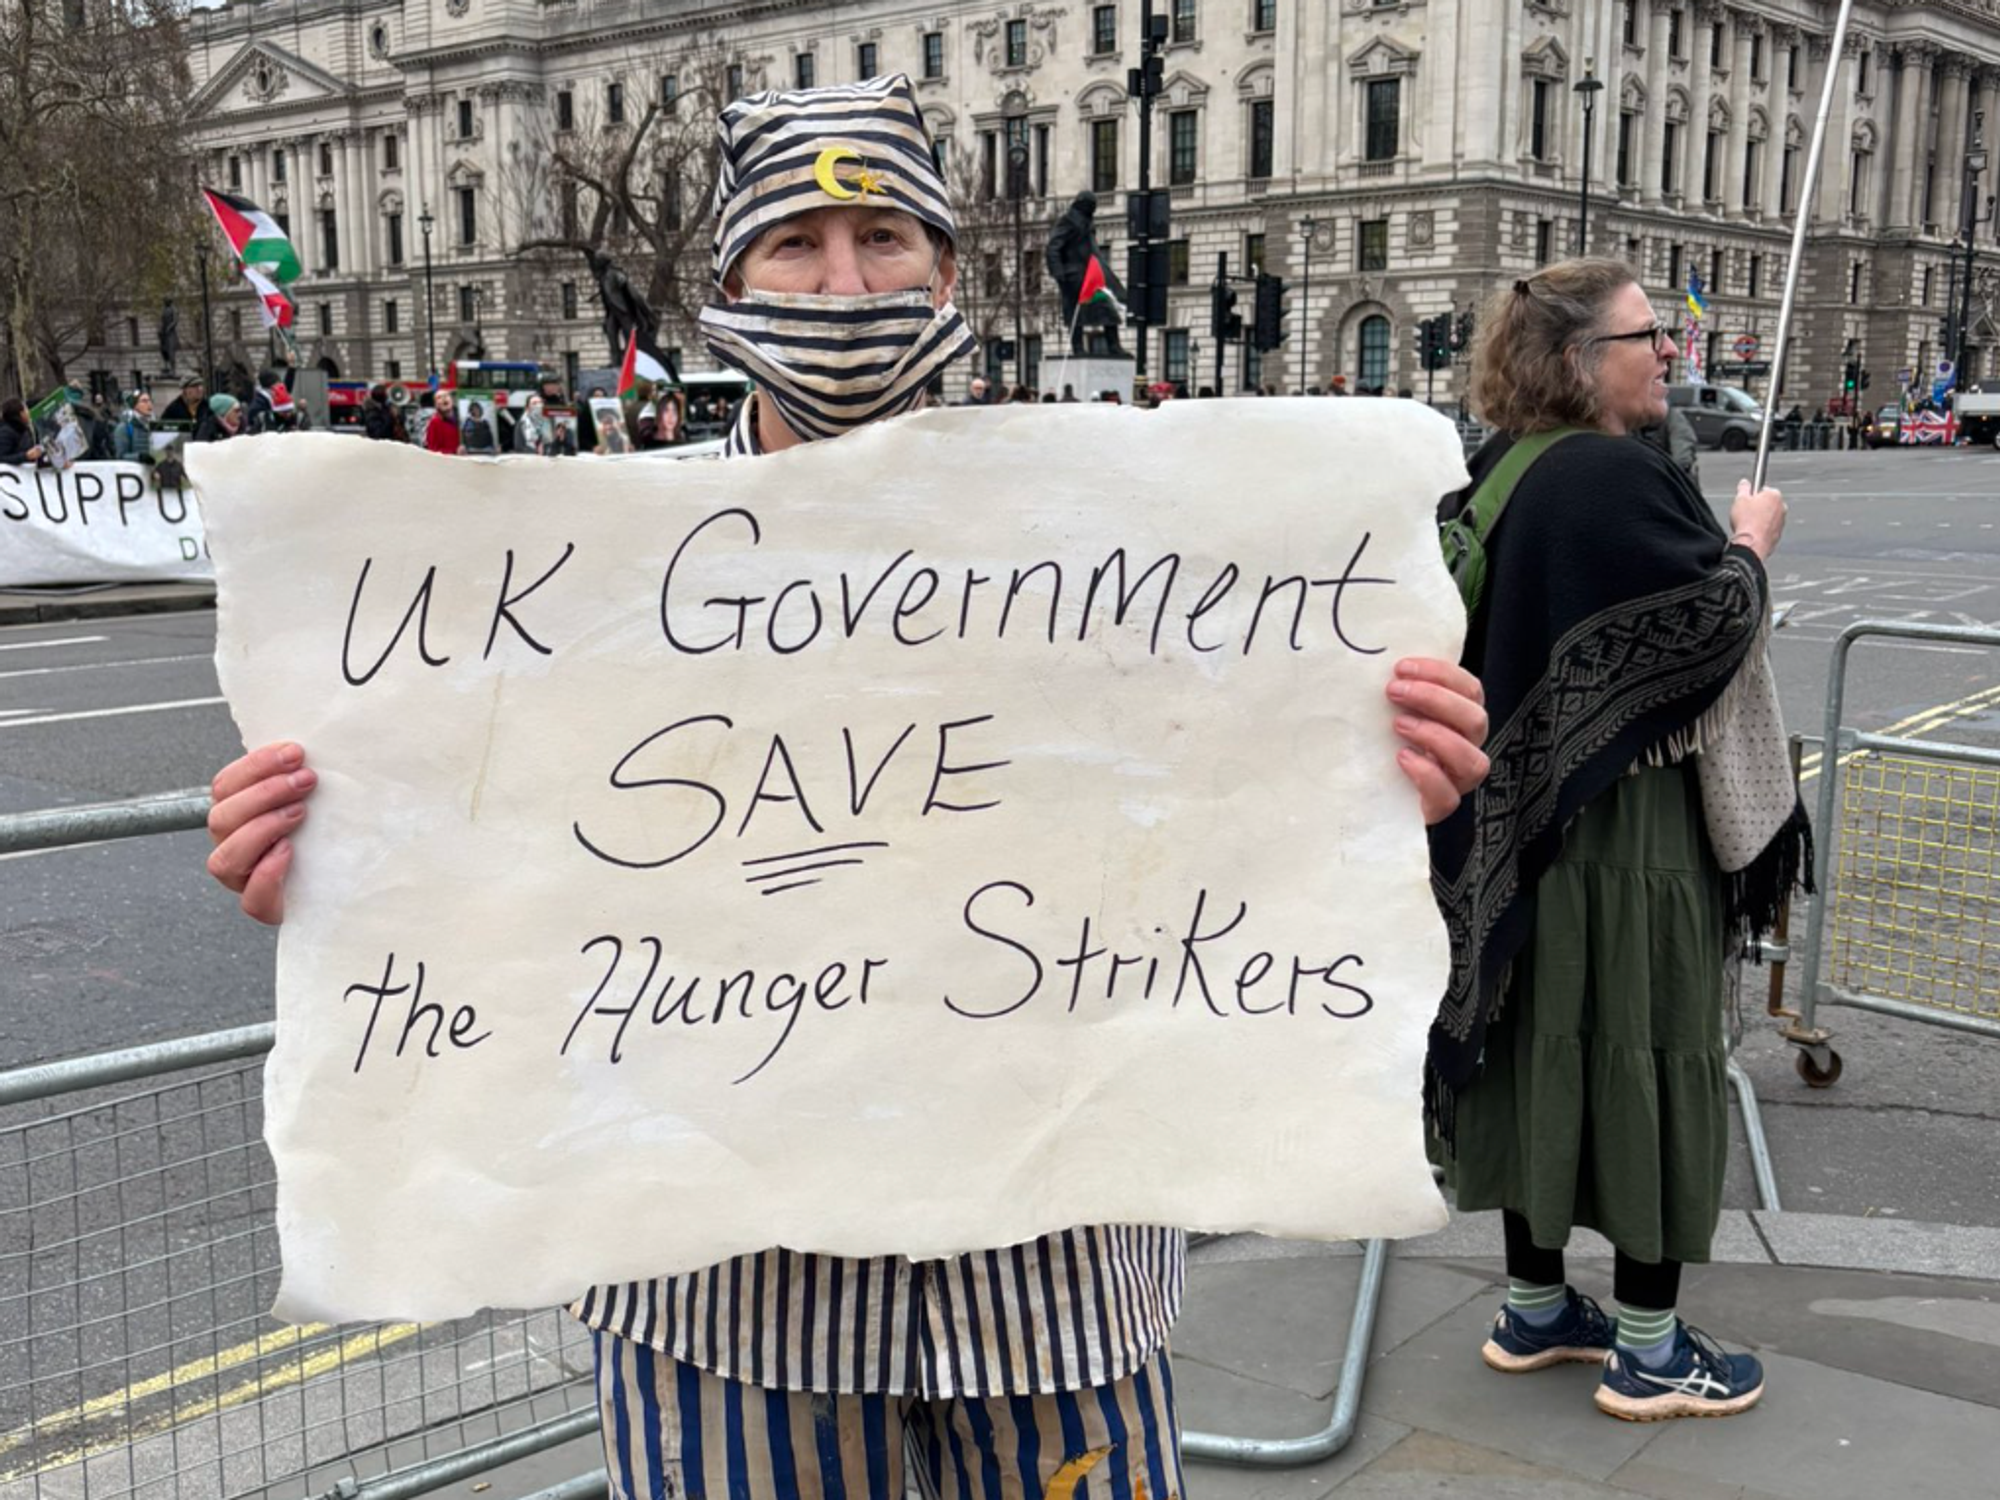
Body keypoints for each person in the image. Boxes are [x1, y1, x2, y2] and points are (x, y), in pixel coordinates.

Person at [203, 74, 1489, 1500]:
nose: (844, 283)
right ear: (730, 281)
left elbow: (1213, 819)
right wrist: (325, 868)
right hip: (731, 1309)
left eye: (884, 241)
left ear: (949, 272)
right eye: (795, 247)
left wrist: (1374, 794)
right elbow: (502, 855)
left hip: (1053, 1295)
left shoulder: (1127, 541)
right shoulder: (596, 566)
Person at [1429, 259, 1807, 1424]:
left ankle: (1536, 1310)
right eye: (1648, 336)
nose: (1669, 354)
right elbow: (1702, 634)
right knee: (1648, 1055)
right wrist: (1749, 543)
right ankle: (1649, 1352)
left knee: (1539, 1050)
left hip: (1517, 828)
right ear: (1580, 360)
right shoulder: (1604, 474)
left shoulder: (1501, 468)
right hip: (1625, 833)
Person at [0, 396, 45, 465]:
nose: (28, 412)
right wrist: (25, 456)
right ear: (21, 413)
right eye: (26, 409)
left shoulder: (25, 428)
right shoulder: (6, 433)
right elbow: (2, 458)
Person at [115, 392, 157, 462]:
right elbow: (120, 456)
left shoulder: (155, 426)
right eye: (144, 401)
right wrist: (140, 457)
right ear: (135, 405)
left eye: (150, 400)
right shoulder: (124, 428)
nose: (149, 404)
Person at [424, 388, 462, 455]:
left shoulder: (460, 419)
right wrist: (454, 451)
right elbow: (433, 450)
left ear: (452, 400)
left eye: (446, 395)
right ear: (436, 405)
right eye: (439, 397)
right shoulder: (434, 422)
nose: (444, 398)